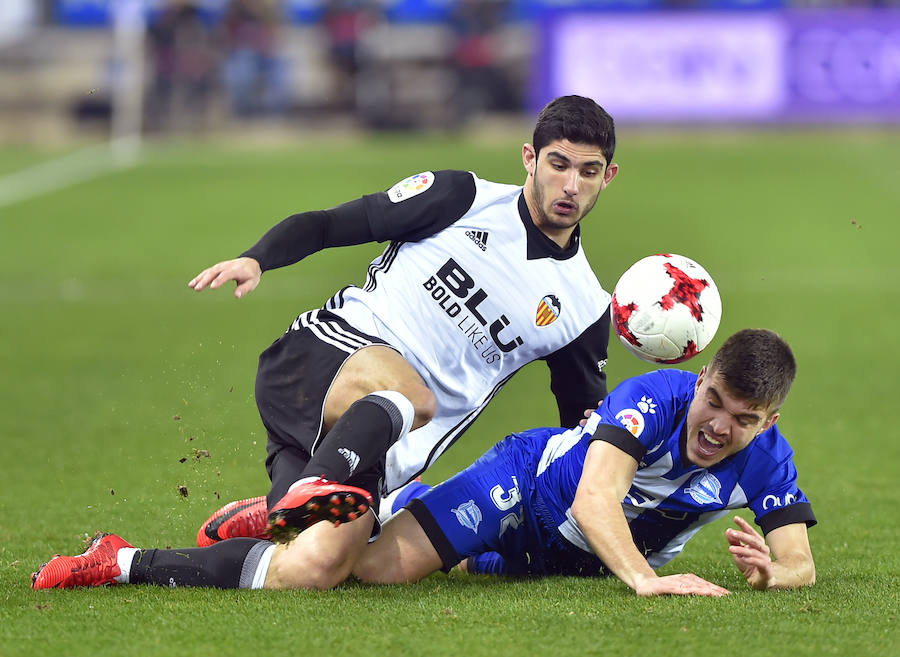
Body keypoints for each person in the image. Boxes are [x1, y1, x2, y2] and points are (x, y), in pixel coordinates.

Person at [31, 96, 620, 592]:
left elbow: (582, 430)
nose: (569, 185)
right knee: (416, 394)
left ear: (607, 177)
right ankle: (308, 489)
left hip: (377, 453)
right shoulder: (459, 198)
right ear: (529, 158)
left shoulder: (584, 308)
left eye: (588, 171)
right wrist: (256, 257)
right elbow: (333, 224)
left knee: (316, 568)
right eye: (558, 164)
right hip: (325, 359)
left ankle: (122, 561)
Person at [32, 329, 816, 596]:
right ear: (702, 376)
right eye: (714, 401)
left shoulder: (767, 459)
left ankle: (391, 498)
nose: (717, 426)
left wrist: (769, 573)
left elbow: (800, 562)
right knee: (362, 571)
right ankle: (125, 560)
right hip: (524, 490)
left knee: (436, 570)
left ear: (769, 420)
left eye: (743, 420)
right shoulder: (655, 399)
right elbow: (594, 500)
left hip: (557, 563)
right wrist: (647, 579)